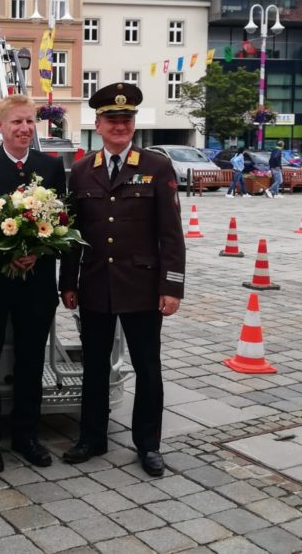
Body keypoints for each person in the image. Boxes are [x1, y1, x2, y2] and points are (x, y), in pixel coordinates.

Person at [58, 82, 185, 478]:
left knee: (148, 367)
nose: (120, 126)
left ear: (133, 124)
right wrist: (68, 281)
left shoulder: (156, 166)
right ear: (97, 124)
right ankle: (92, 438)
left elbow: (171, 233)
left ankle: (148, 445)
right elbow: (72, 233)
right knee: (95, 366)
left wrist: (172, 286)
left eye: (126, 119)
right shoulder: (81, 170)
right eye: (112, 119)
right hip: (96, 284)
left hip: (144, 287)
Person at [0, 94, 66, 472]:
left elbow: (59, 223)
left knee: (31, 360)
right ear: (0, 127)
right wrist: (6, 253)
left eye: (29, 122)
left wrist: (39, 251)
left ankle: (26, 435)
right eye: (16, 122)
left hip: (35, 283)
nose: (24, 129)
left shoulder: (49, 168)